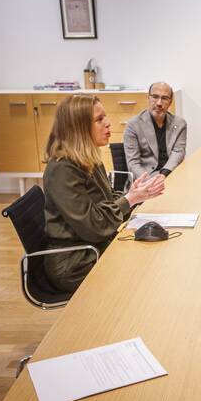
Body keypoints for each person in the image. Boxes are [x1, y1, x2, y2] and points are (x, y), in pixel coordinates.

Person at [42, 95, 165, 294]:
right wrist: (131, 199)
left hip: (93, 246)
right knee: (145, 267)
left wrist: (134, 196)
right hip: (74, 261)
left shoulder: (87, 157)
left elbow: (106, 199)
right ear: (79, 128)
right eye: (99, 120)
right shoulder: (62, 169)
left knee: (151, 254)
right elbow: (94, 226)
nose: (108, 123)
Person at [123, 82, 187, 179]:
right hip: (145, 178)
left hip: (170, 174)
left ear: (170, 102)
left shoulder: (180, 124)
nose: (159, 103)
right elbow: (133, 163)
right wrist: (150, 182)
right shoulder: (133, 125)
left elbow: (178, 152)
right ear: (148, 98)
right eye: (155, 97)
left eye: (164, 98)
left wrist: (164, 174)